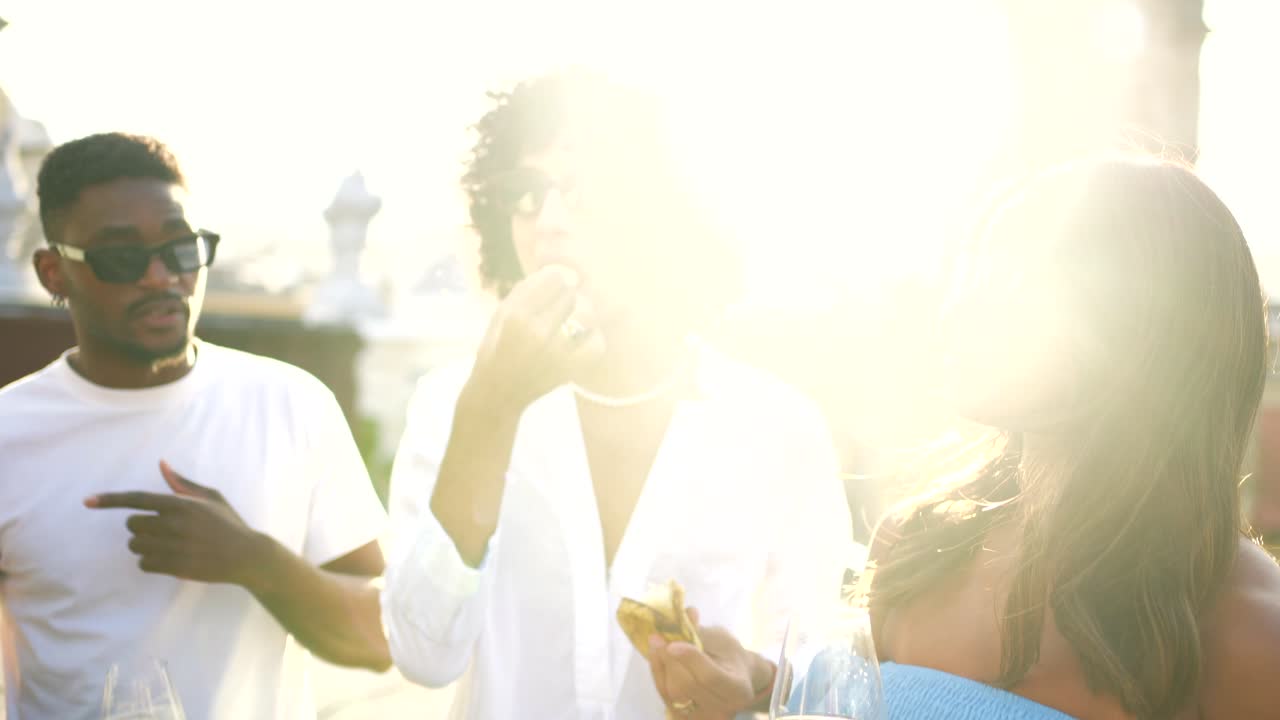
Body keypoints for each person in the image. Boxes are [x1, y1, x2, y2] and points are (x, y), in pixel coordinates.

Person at [658, 157, 1280, 719]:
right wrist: (762, 685)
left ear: (1142, 328)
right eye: (973, 272)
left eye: (1014, 281)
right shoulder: (917, 548)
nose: (956, 312)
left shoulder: (1247, 635)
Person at [380, 69, 856, 719]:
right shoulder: (453, 405)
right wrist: (490, 410)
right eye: (525, 194)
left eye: (585, 191)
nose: (548, 222)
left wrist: (756, 681)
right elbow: (422, 654)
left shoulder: (777, 427)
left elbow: (827, 677)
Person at [0, 132, 391, 719]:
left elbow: (383, 639)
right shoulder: (10, 435)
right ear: (54, 273)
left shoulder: (292, 404)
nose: (162, 277)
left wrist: (254, 560)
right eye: (122, 256)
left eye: (182, 249)